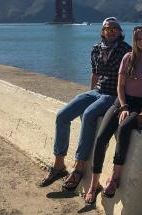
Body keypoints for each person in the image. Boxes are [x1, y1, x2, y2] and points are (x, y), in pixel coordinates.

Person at [38, 17, 131, 191]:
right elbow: (95, 74)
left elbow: (129, 78)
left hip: (112, 94)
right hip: (96, 91)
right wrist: (89, 94)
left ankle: (79, 167)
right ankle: (59, 165)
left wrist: (125, 102)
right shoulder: (95, 49)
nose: (110, 31)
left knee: (89, 115)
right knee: (62, 116)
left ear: (120, 31)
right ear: (102, 31)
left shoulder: (126, 51)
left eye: (114, 28)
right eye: (107, 28)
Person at [84, 25, 142, 205]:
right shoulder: (128, 57)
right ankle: (93, 184)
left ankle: (114, 177)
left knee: (124, 128)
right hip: (122, 101)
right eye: (138, 39)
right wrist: (123, 106)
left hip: (141, 104)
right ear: (135, 42)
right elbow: (120, 86)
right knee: (102, 136)